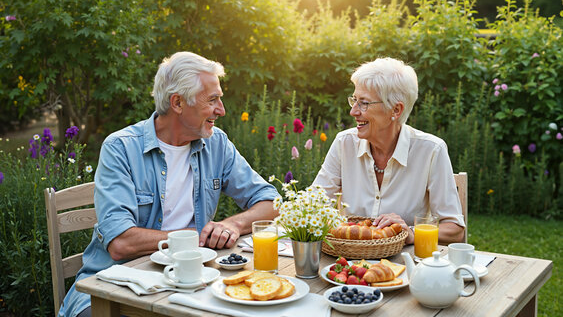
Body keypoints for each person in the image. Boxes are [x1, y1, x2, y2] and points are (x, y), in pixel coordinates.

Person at [60, 52, 278, 317]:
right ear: (177, 102)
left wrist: (232, 224)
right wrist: (196, 240)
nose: (221, 110)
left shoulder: (216, 144)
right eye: (212, 100)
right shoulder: (122, 148)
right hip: (113, 285)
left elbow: (271, 202)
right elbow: (120, 243)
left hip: (191, 280)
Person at [313, 57, 465, 245]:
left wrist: (411, 233)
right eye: (354, 100)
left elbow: (455, 230)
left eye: (364, 103)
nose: (353, 111)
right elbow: (313, 207)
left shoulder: (431, 150)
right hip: (347, 263)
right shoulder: (344, 143)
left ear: (396, 110)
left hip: (405, 265)